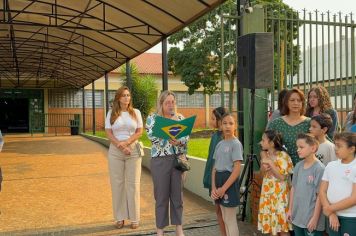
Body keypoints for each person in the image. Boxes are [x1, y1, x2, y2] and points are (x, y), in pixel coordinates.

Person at [145, 90, 189, 236]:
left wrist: (179, 141)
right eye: (167, 102)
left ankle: (179, 228)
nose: (171, 105)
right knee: (161, 196)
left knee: (177, 196)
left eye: (173, 102)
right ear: (161, 104)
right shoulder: (153, 118)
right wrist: (166, 134)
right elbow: (151, 137)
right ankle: (160, 230)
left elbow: (186, 140)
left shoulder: (180, 118)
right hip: (160, 161)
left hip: (177, 161)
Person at [105, 86, 143, 229]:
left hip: (133, 151)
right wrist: (120, 146)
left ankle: (135, 218)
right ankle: (119, 218)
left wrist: (127, 143)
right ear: (118, 98)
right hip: (115, 151)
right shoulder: (111, 113)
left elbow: (139, 132)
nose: (127, 97)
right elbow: (108, 133)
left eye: (128, 95)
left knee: (133, 185)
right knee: (117, 185)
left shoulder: (136, 113)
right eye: (123, 95)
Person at [211, 113, 243, 236]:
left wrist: (224, 188)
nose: (228, 126)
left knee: (230, 220)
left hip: (228, 184)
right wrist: (214, 188)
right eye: (225, 123)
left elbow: (236, 169)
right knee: (224, 218)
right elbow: (214, 168)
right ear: (220, 126)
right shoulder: (219, 144)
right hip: (218, 183)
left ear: (235, 126)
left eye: (231, 123)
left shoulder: (236, 144)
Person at [287, 133, 325, 236]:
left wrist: (315, 218)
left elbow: (320, 196)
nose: (298, 150)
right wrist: (290, 210)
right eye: (297, 147)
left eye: (301, 147)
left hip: (311, 220)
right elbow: (293, 188)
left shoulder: (319, 169)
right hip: (297, 216)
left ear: (313, 148)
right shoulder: (298, 166)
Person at [319, 132, 356, 236]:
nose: (335, 148)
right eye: (335, 144)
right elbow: (322, 191)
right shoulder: (330, 165)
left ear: (352, 149)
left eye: (339, 146)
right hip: (332, 215)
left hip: (351, 217)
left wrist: (329, 209)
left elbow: (354, 198)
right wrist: (331, 213)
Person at [258, 130, 293, 236]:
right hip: (268, 196)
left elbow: (282, 177)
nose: (261, 142)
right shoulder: (266, 155)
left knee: (282, 229)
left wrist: (270, 163)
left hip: (280, 198)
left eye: (263, 140)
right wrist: (263, 167)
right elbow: (261, 175)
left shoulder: (283, 156)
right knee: (271, 227)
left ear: (272, 143)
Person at [267, 88, 311, 166]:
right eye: (292, 100)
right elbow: (264, 146)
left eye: (299, 100)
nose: (296, 103)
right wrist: (265, 160)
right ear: (286, 102)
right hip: (281, 169)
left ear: (302, 103)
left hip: (304, 168)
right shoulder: (276, 123)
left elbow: (322, 141)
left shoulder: (309, 123)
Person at [203, 107, 228, 236]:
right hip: (213, 179)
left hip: (221, 180)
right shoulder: (214, 136)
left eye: (213, 118)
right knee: (218, 210)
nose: (211, 121)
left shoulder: (225, 138)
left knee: (224, 212)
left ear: (219, 120)